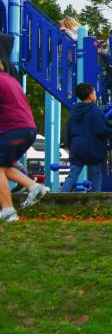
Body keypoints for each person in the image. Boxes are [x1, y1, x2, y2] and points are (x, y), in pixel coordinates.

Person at [61, 83, 112, 193]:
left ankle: (61, 197)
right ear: (90, 96)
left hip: (77, 147)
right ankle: (95, 199)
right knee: (96, 175)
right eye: (94, 92)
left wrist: (69, 144)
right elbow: (105, 129)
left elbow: (69, 129)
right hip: (93, 148)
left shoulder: (74, 111)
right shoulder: (95, 111)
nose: (95, 94)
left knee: (73, 175)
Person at [0, 51, 48, 220]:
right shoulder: (10, 79)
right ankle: (35, 187)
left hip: (12, 130)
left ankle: (8, 212)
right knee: (5, 166)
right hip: (28, 129)